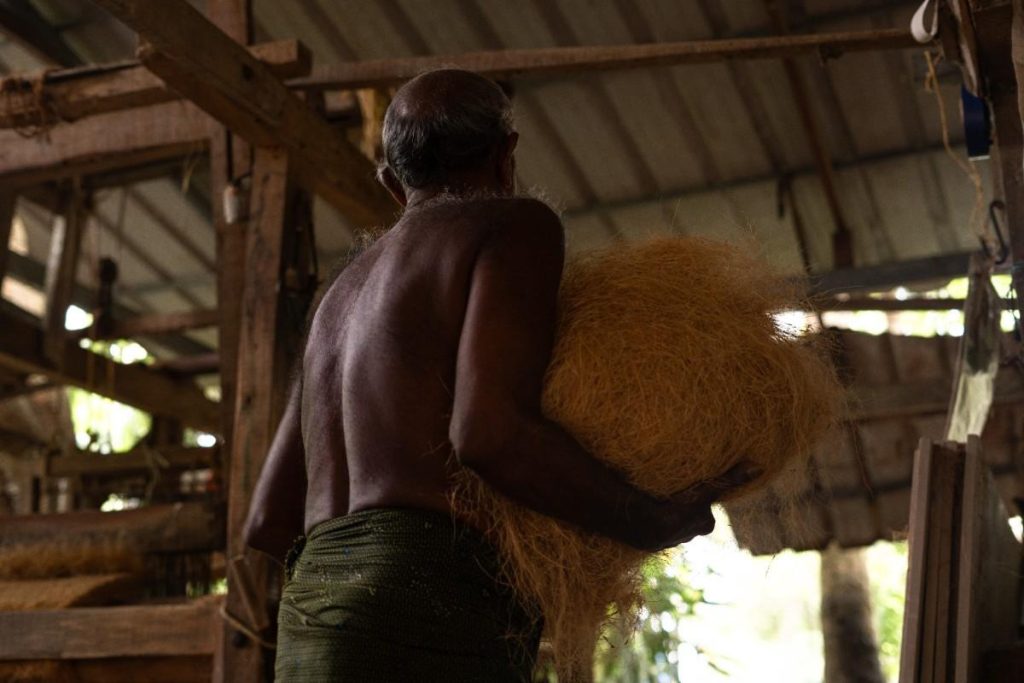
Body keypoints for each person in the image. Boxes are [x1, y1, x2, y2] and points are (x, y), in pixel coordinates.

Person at [243, 68, 754, 682]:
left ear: (391, 183)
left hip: (309, 618)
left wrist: (347, 584)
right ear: (506, 154)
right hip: (425, 604)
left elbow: (269, 522)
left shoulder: (336, 298)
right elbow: (490, 434)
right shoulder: (511, 224)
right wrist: (650, 519)